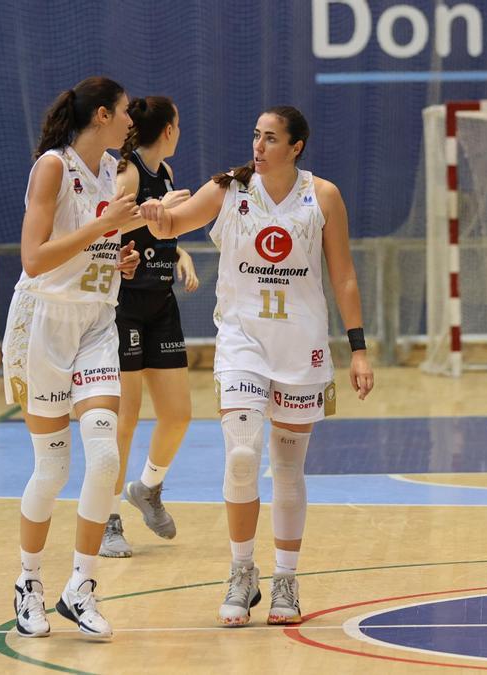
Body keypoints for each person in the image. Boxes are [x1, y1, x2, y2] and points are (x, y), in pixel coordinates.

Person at [139, 106, 374, 626]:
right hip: (243, 342)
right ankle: (241, 574)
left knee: (288, 470)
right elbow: (175, 222)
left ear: (296, 147)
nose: (259, 146)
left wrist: (358, 348)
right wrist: (157, 217)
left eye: (271, 139)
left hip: (302, 348)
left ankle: (286, 580)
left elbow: (345, 277)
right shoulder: (229, 189)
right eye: (255, 136)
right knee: (243, 455)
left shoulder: (323, 196)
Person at [4, 76, 144, 640]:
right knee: (54, 468)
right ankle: (29, 581)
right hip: (42, 324)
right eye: (127, 112)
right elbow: (35, 258)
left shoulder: (111, 170)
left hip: (95, 322)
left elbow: (97, 240)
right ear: (104, 115)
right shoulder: (52, 168)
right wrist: (102, 229)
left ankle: (80, 587)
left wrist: (119, 255)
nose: (133, 121)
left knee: (106, 457)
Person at [98, 96, 197, 558]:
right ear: (169, 130)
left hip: (161, 304)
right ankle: (106, 518)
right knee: (126, 420)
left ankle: (147, 488)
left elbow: (158, 231)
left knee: (178, 414)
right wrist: (154, 207)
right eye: (178, 123)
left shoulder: (166, 175)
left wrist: (181, 254)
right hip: (125, 306)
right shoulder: (129, 171)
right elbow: (106, 225)